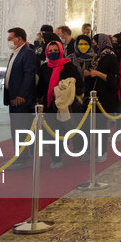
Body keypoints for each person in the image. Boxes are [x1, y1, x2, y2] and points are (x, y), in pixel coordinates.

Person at [38, 40, 83, 168]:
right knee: (51, 132)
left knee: (63, 129)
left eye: (56, 51)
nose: (53, 53)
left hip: (64, 105)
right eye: (50, 51)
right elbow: (41, 86)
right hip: (50, 105)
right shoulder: (44, 68)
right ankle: (56, 158)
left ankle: (65, 149)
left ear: (61, 51)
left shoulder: (68, 66)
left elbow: (78, 83)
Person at [4, 27, 38, 169]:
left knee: (20, 128)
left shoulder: (27, 53)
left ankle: (21, 158)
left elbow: (29, 75)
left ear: (19, 38)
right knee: (16, 127)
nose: (8, 41)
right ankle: (21, 154)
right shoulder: (15, 53)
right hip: (13, 97)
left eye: (10, 38)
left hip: (21, 99)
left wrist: (21, 95)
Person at [86, 34, 120, 121]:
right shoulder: (99, 55)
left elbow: (113, 79)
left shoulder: (110, 56)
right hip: (95, 91)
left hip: (105, 94)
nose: (95, 46)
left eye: (95, 43)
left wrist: (97, 73)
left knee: (101, 123)